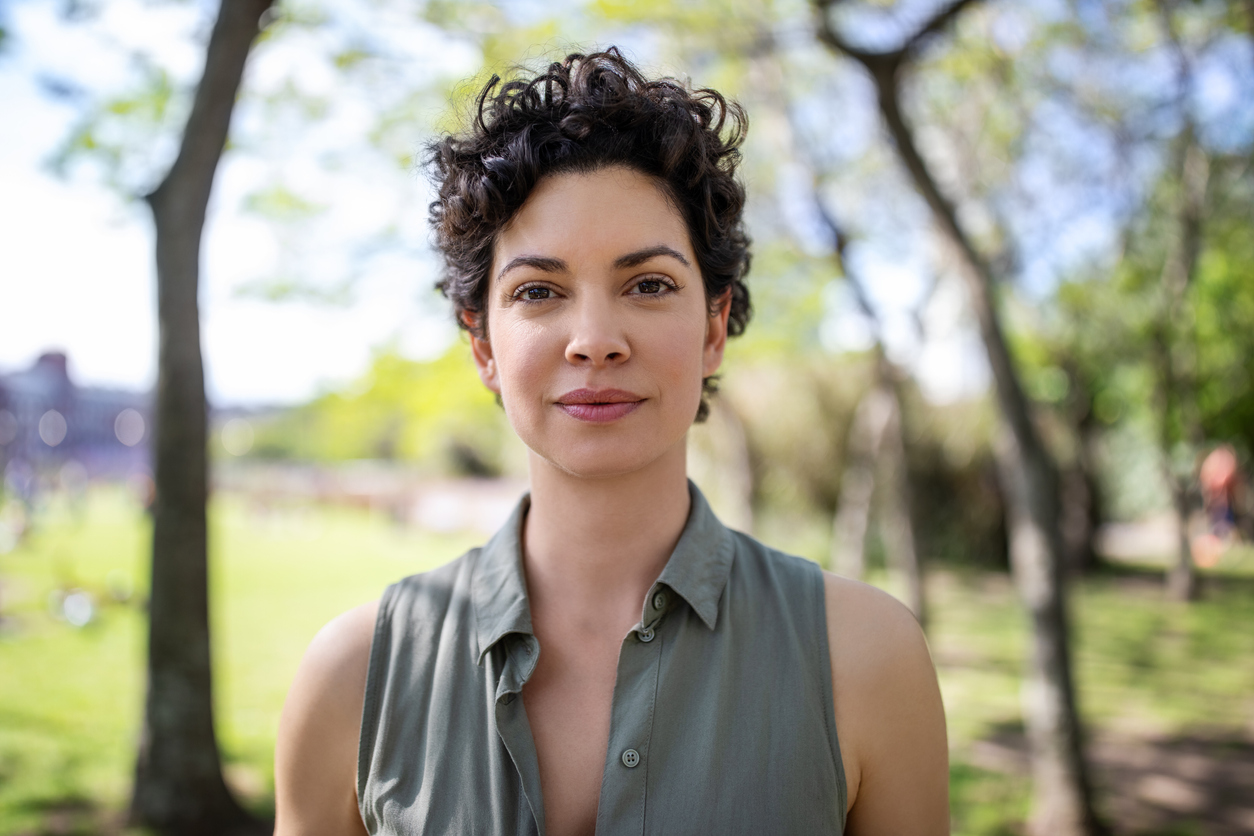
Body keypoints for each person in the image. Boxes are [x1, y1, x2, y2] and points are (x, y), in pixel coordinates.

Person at [274, 49, 948, 835]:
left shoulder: (865, 658)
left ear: (714, 328)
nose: (594, 340)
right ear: (483, 345)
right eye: (538, 292)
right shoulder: (353, 679)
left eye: (649, 284)